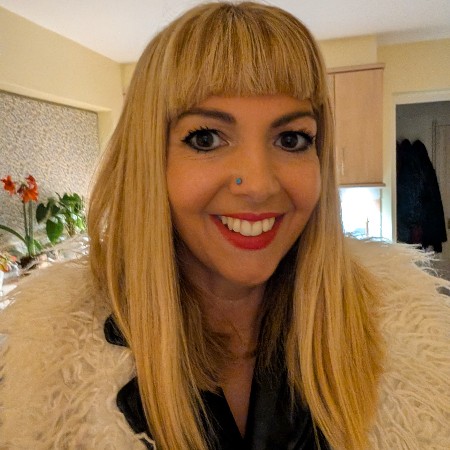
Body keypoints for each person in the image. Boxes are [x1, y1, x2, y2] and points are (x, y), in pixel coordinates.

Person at [1, 2, 449, 449]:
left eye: (291, 139)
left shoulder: (415, 344)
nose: (257, 185)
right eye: (206, 138)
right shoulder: (44, 371)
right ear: (149, 160)